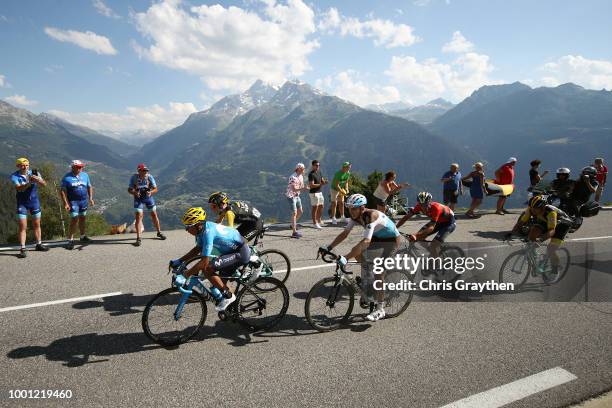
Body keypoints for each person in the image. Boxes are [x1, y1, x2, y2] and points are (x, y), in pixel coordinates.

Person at [322, 194, 401, 322]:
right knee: (358, 254)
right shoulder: (355, 217)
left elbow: (366, 242)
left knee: (379, 272)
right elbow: (345, 234)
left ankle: (380, 309)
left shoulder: (371, 216)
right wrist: (329, 247)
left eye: (354, 209)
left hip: (391, 241)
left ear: (362, 208)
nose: (351, 211)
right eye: (349, 208)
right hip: (377, 238)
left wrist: (346, 258)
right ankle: (370, 284)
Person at [171, 207, 250, 312]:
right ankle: (235, 309)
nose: (186, 229)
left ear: (198, 224)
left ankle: (229, 296)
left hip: (240, 253)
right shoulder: (201, 230)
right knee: (217, 284)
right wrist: (180, 260)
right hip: (229, 252)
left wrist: (186, 275)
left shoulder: (208, 232)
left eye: (188, 226)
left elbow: (204, 262)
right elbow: (198, 249)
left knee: (208, 268)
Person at [511, 195, 573, 280]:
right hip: (545, 221)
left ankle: (555, 270)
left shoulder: (551, 212)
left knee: (551, 249)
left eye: (535, 209)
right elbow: (521, 222)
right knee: (533, 232)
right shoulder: (531, 209)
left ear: (543, 207)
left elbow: (552, 231)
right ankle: (535, 255)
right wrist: (511, 233)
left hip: (562, 226)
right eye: (532, 208)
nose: (533, 210)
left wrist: (540, 240)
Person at [396, 192, 456, 258]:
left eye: (425, 204)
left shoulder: (436, 208)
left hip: (448, 223)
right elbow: (406, 217)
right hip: (437, 221)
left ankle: (438, 265)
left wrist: (415, 235)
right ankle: (434, 252)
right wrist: (395, 227)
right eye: (421, 204)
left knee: (432, 246)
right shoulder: (418, 206)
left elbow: (431, 228)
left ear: (430, 202)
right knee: (420, 238)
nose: (423, 206)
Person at [10, 157, 49, 258]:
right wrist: (29, 183)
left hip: (34, 202)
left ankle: (39, 244)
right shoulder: (14, 176)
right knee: (23, 226)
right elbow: (19, 188)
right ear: (18, 166)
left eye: (26, 165)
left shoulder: (34, 173)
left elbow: (44, 184)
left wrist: (38, 180)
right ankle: (22, 248)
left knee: (37, 224)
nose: (25, 167)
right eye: (22, 165)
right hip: (22, 203)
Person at [127, 163, 166, 246]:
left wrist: (150, 192)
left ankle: (159, 232)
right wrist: (134, 192)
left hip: (148, 197)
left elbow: (155, 189)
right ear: (139, 171)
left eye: (146, 170)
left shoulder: (149, 177)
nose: (145, 172)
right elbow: (129, 189)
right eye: (144, 170)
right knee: (138, 216)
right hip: (138, 198)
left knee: (154, 214)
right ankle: (138, 238)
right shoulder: (134, 177)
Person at [61, 160, 94, 249]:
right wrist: (66, 203)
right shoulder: (67, 177)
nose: (80, 168)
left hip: (83, 201)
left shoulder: (85, 175)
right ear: (73, 167)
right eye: (78, 167)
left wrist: (90, 198)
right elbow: (63, 191)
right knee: (74, 219)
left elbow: (89, 186)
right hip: (73, 202)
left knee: (83, 218)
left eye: (81, 167)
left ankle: (82, 236)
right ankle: (70, 240)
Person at [285, 163, 308, 238]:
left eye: (304, 168)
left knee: (300, 211)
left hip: (297, 196)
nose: (304, 170)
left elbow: (301, 186)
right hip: (291, 196)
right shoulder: (292, 177)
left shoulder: (301, 176)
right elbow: (294, 189)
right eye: (302, 168)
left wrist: (306, 187)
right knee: (294, 213)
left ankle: (293, 225)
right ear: (298, 169)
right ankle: (294, 232)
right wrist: (303, 189)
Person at [307, 160, 328, 229]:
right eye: (316, 165)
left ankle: (319, 220)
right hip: (314, 193)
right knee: (315, 207)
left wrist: (324, 182)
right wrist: (320, 184)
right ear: (313, 166)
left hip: (319, 192)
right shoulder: (311, 174)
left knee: (321, 206)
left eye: (318, 165)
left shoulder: (319, 172)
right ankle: (314, 223)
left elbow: (322, 180)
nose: (318, 167)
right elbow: (311, 185)